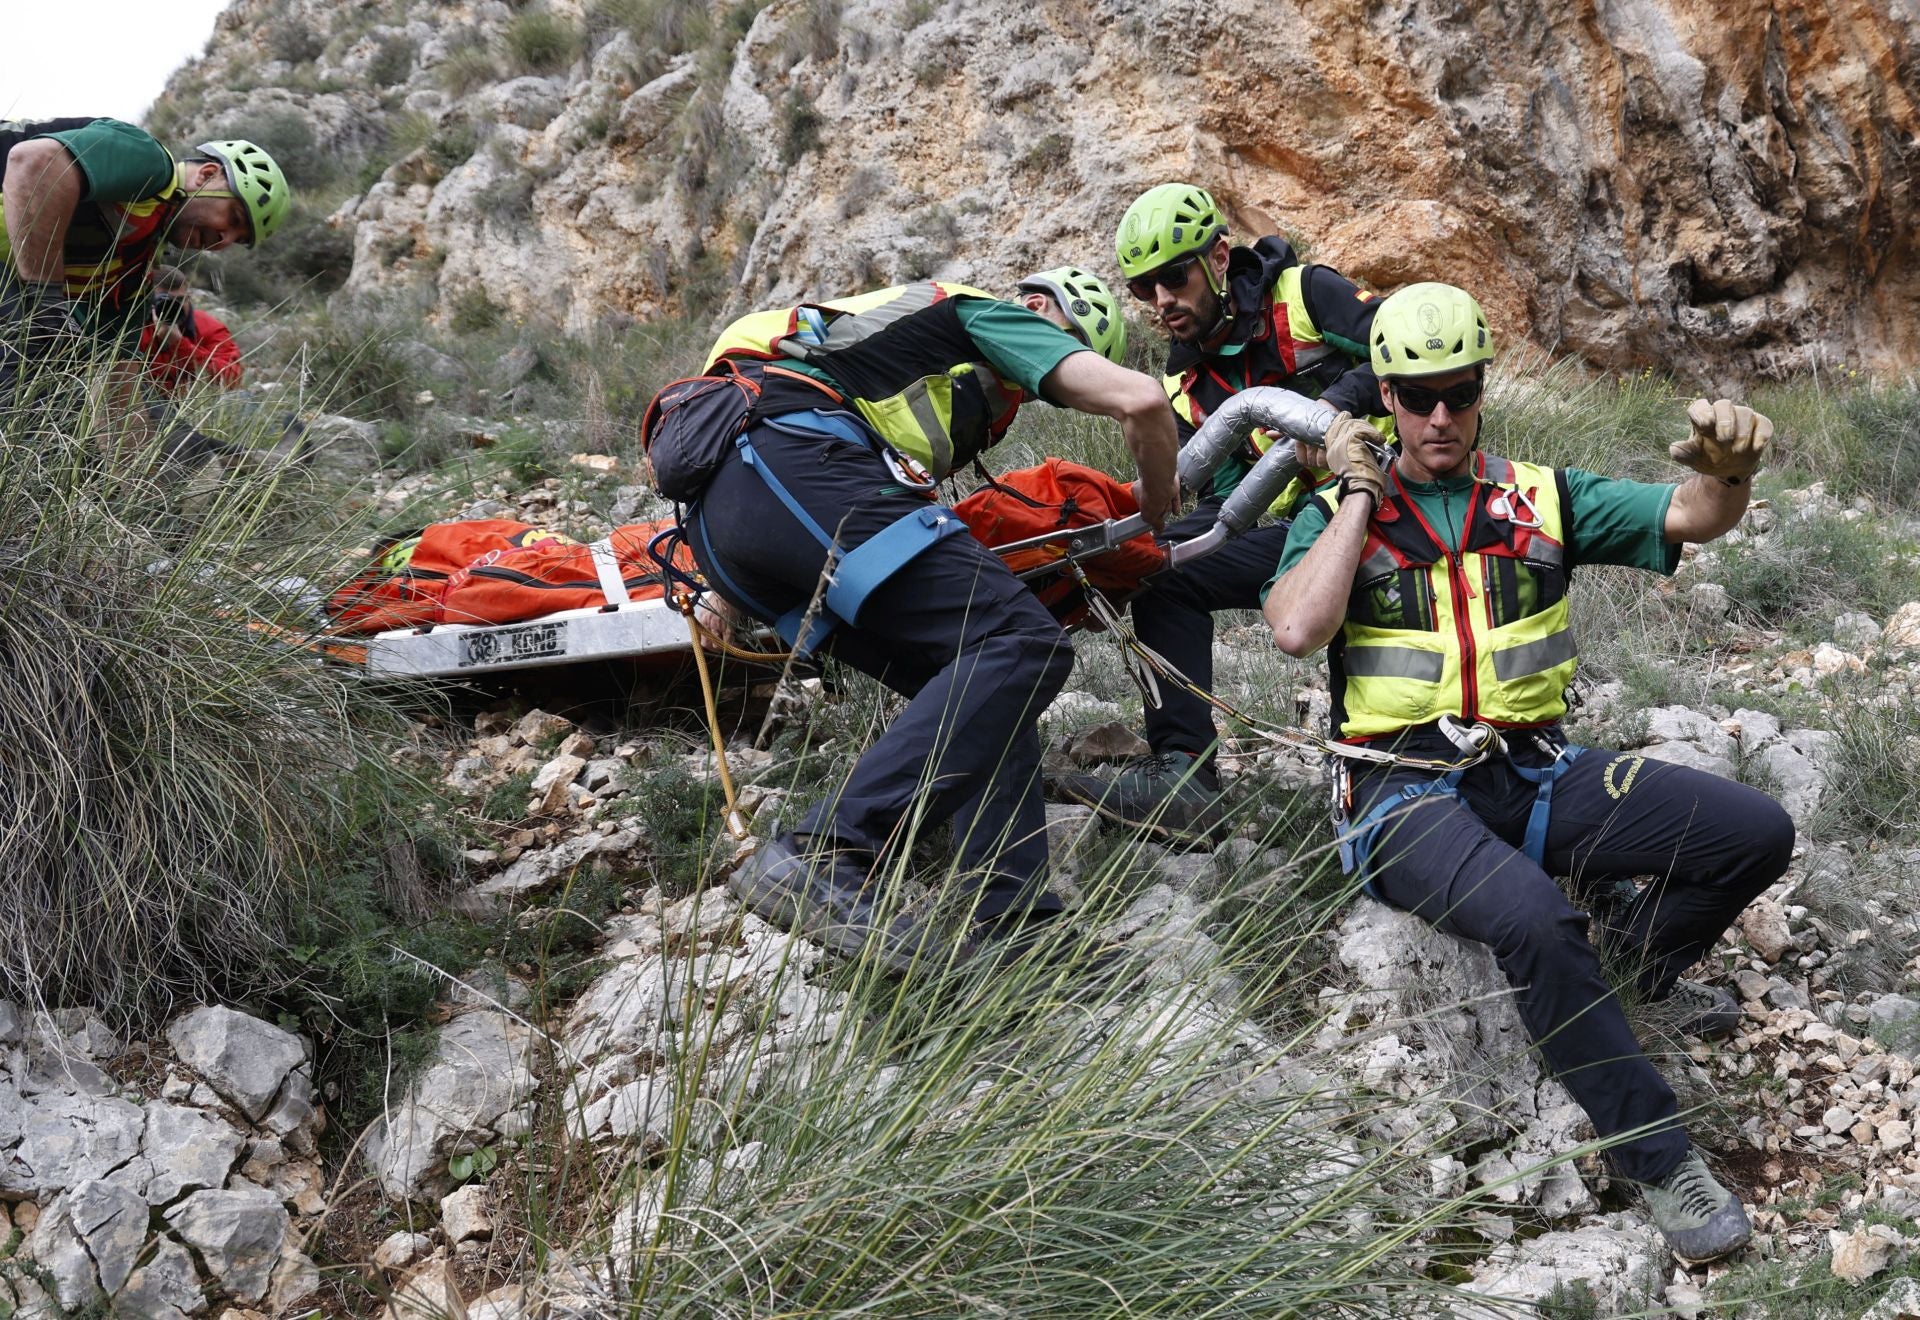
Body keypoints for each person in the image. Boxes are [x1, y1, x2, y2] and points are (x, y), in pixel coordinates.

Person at [1261, 281, 1791, 1264]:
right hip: (1397, 792)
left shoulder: (1537, 495)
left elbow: (1689, 515)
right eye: (1415, 396)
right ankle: (1657, 1154)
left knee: (1755, 835)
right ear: (1384, 394)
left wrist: (1732, 477)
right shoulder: (1340, 511)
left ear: (1480, 387)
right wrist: (1358, 494)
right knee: (1536, 922)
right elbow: (1297, 628)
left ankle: (1627, 966)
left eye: (1457, 392)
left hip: (1535, 772)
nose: (1438, 417)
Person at [669, 271, 1178, 972]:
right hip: (787, 459)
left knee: (991, 682)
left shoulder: (893, 371)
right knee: (1021, 640)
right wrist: (1155, 503)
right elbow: (1143, 400)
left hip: (746, 513)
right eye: (1062, 349)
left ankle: (1016, 927)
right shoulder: (983, 316)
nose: (1033, 387)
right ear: (1037, 313)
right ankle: (826, 854)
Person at [1057, 182, 1385, 835]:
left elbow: (1401, 351)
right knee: (1164, 573)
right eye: (1144, 289)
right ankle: (1185, 777)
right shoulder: (1184, 384)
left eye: (1174, 277)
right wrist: (1143, 541)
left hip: (1392, 502)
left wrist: (1324, 418)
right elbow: (1223, 498)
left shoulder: (1307, 293)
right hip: (1306, 530)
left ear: (1220, 256)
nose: (1161, 301)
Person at [0, 118, 287, 404]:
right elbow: (33, 162)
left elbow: (119, 395)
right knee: (28, 366)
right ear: (207, 174)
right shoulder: (151, 163)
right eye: (233, 218)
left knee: (62, 398)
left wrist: (171, 446)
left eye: (236, 240)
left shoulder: (134, 272)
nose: (224, 239)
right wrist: (45, 295)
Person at [139, 264, 243, 395]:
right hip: (144, 405)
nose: (176, 306)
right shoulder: (134, 327)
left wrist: (179, 344)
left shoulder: (209, 327)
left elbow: (232, 378)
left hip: (195, 404)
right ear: (148, 300)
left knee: (242, 397)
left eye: (181, 299)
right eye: (165, 300)